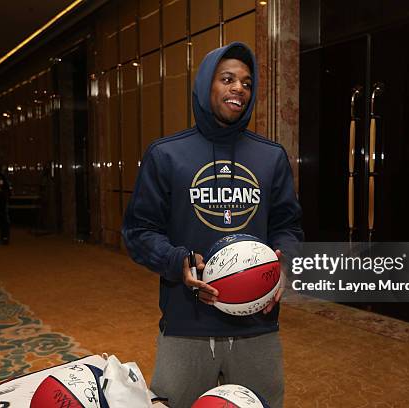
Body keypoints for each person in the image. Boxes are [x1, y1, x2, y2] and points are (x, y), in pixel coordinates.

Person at [122, 42, 303, 408]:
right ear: (207, 85)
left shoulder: (271, 157)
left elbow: (289, 227)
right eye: (227, 79)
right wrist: (179, 262)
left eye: (247, 83)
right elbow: (138, 232)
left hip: (258, 325)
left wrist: (284, 265)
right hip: (187, 324)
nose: (239, 88)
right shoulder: (166, 154)